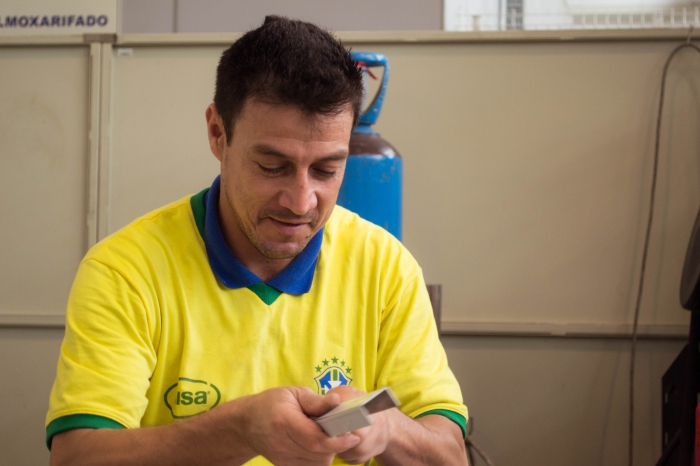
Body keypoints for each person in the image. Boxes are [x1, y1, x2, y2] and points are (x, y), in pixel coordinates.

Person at [46, 15, 468, 466]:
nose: (301, 202)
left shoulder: (385, 268)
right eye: (272, 167)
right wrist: (237, 429)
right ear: (217, 134)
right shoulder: (126, 271)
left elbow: (451, 455)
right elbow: (75, 458)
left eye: (327, 170)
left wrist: (388, 429)